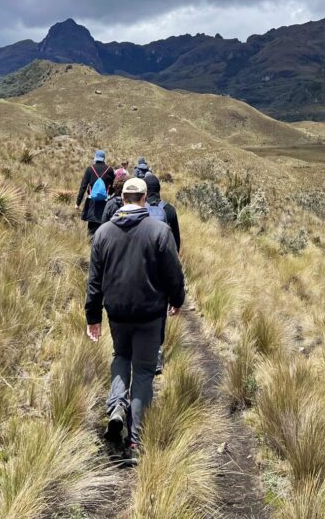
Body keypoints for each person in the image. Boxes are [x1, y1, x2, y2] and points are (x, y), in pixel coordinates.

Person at [85, 177, 184, 455]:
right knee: (142, 371)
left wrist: (93, 316)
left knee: (120, 356)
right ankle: (134, 441)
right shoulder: (159, 230)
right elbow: (173, 273)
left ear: (123, 198)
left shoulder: (103, 233)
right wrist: (177, 300)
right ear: (143, 199)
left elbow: (94, 281)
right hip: (149, 314)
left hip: (116, 312)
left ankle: (117, 404)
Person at [144, 170, 181, 375]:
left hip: (142, 269)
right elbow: (176, 244)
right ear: (159, 190)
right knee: (160, 313)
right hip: (162, 272)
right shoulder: (170, 210)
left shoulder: (139, 209)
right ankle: (156, 354)